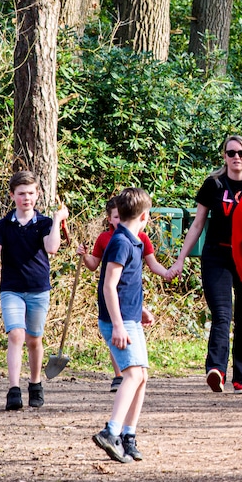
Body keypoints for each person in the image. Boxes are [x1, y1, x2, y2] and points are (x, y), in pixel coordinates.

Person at [167, 135, 242, 394]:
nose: (236, 158)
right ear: (224, 156)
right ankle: (216, 370)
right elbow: (197, 224)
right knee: (221, 315)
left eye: (241, 153)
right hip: (217, 256)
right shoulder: (214, 184)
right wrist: (181, 258)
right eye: (231, 153)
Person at [0, 171, 68, 411]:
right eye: (21, 193)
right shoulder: (3, 225)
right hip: (11, 289)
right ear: (12, 195)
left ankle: (35, 384)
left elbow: (53, 248)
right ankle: (13, 390)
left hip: (38, 289)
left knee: (34, 339)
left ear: (38, 195)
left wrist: (57, 220)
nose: (27, 198)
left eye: (31, 193)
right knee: (15, 335)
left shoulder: (44, 223)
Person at [79, 196, 173, 392]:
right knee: (120, 338)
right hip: (113, 298)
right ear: (110, 218)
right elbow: (95, 267)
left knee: (140, 374)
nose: (117, 220)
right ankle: (119, 376)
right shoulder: (110, 240)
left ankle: (124, 384)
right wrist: (85, 256)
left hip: (129, 302)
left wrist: (166, 273)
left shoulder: (140, 239)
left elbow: (152, 263)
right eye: (114, 217)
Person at [91, 187, 154, 464]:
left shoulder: (134, 241)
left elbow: (127, 286)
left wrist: (139, 309)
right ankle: (110, 431)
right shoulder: (120, 242)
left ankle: (128, 436)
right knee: (131, 375)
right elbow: (109, 286)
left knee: (142, 376)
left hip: (130, 318)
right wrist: (117, 325)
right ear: (144, 216)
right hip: (119, 322)